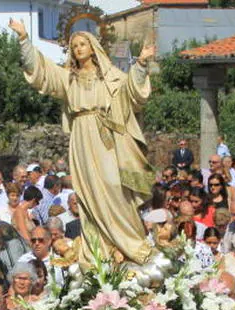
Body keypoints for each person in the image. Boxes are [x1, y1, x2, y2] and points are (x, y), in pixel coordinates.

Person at [12, 19, 156, 266]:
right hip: (81, 137)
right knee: (88, 193)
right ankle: (97, 248)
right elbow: (42, 71)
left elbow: (132, 93)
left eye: (82, 44)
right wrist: (24, 38)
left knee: (113, 186)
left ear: (93, 47)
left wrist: (141, 62)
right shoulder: (68, 78)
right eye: (73, 45)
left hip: (108, 137)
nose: (78, 48)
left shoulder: (110, 77)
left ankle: (129, 243)